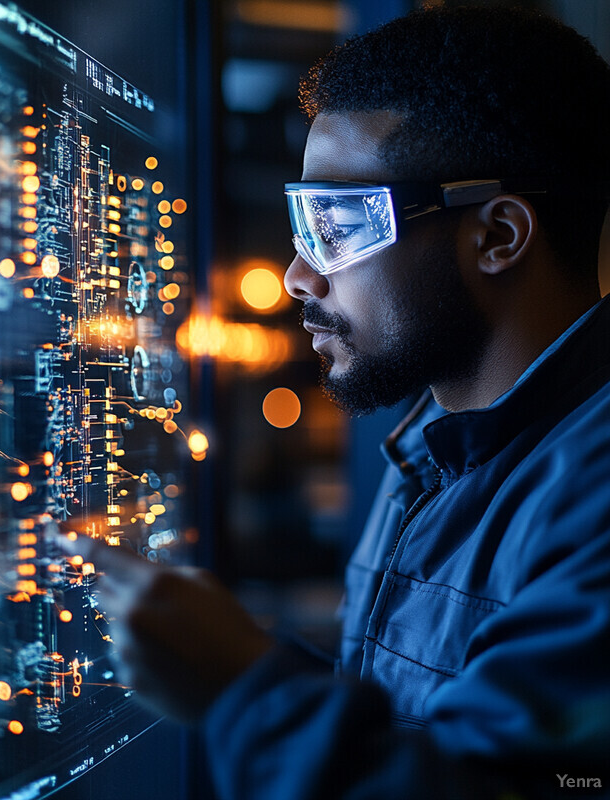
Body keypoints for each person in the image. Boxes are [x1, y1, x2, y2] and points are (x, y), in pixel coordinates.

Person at [71, 6, 610, 798]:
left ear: (498, 236)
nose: (297, 275)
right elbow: (418, 720)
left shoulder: (593, 495)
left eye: (334, 223)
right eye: (301, 220)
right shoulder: (434, 445)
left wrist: (241, 690)